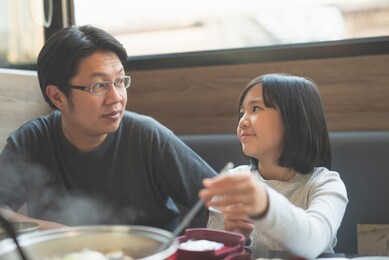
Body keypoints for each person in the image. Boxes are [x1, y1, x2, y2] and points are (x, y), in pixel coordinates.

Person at [0, 25, 217, 232]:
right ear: (58, 97)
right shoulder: (31, 140)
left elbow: (217, 201)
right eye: (100, 86)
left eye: (120, 82)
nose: (116, 98)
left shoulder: (147, 136)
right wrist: (58, 233)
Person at [199, 73, 348, 259]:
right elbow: (214, 254)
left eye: (255, 109)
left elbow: (314, 242)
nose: (243, 121)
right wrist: (237, 242)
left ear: (294, 118)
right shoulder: (234, 181)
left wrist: (265, 203)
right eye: (241, 113)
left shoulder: (326, 184)